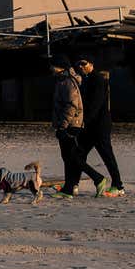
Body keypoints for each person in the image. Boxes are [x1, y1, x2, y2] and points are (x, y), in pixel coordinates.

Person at [50, 59, 104, 198]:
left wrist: (63, 125)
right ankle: (69, 189)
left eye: (53, 65)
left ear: (60, 67)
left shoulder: (68, 82)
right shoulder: (62, 80)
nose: (51, 68)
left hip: (71, 125)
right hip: (69, 124)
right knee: (68, 157)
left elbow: (72, 105)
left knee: (73, 157)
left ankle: (97, 178)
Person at [76, 58, 124, 197]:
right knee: (78, 154)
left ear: (91, 64)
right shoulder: (86, 79)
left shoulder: (98, 80)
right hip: (90, 125)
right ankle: (73, 184)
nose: (81, 66)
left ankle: (118, 185)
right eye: (79, 63)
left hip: (99, 125)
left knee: (106, 155)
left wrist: (83, 121)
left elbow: (95, 105)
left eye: (83, 63)